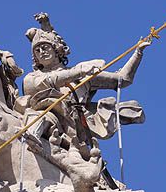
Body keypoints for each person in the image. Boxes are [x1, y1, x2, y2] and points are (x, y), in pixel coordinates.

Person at [17, 12, 150, 147]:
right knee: (39, 116)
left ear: (57, 50)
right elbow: (43, 83)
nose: (41, 52)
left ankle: (32, 139)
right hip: (46, 114)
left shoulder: (83, 75)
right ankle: (29, 138)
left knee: (43, 117)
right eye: (37, 51)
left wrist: (138, 53)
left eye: (45, 47)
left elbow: (123, 79)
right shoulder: (33, 77)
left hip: (74, 122)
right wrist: (78, 72)